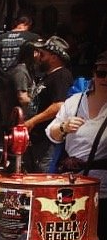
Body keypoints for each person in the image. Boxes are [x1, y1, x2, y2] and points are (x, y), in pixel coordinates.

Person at [45, 50, 107, 240]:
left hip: (103, 187)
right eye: (102, 72)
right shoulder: (74, 101)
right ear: (94, 73)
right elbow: (51, 133)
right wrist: (63, 128)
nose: (105, 78)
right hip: (73, 184)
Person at [0, 13, 38, 129]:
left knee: (7, 118)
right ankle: (23, 141)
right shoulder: (31, 37)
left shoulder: (0, 38)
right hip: (22, 79)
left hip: (2, 79)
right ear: (28, 25)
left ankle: (8, 141)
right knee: (25, 116)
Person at [22, 36, 73, 173]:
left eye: (42, 54)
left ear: (54, 57)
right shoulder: (47, 76)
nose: (38, 57)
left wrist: (32, 121)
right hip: (37, 140)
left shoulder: (62, 75)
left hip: (48, 141)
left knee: (44, 179)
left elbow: (59, 105)